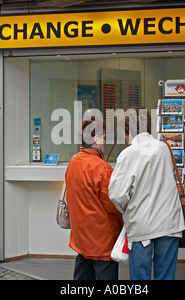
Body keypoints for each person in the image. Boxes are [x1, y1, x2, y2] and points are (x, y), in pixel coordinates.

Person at [108, 106, 185, 280]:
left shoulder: (128, 154)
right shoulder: (164, 148)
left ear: (127, 131)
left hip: (142, 226)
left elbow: (116, 195)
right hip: (170, 223)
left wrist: (127, 209)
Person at [65, 116, 123, 280]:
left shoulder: (73, 162)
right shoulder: (102, 168)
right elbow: (113, 204)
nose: (104, 140)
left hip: (81, 237)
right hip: (102, 239)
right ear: (96, 138)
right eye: (103, 136)